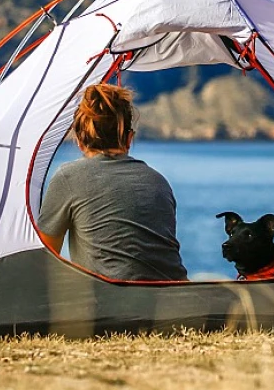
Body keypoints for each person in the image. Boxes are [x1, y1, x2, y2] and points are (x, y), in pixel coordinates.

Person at [37, 83, 188, 281]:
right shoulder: (158, 182)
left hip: (111, 304)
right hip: (177, 299)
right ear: (129, 138)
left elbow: (46, 258)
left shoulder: (68, 177)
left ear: (80, 140)